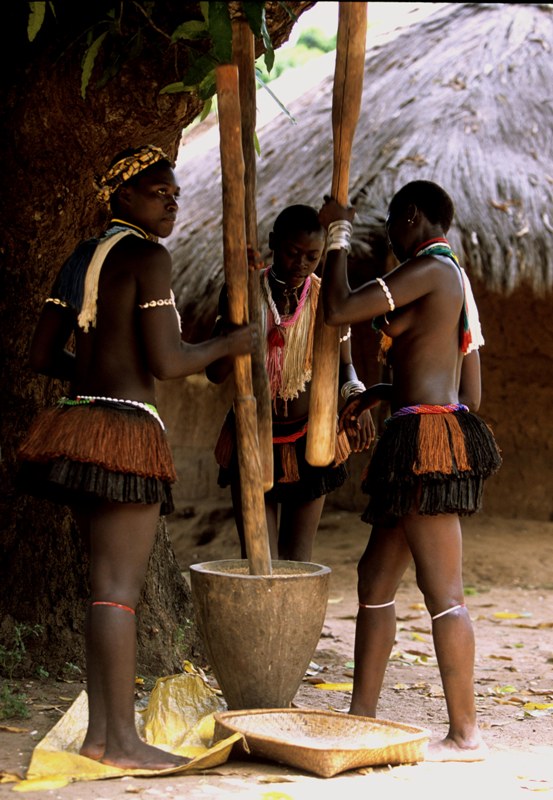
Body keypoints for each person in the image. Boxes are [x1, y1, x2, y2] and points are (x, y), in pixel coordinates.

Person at [17, 145, 255, 770]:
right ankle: (119, 742)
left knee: (105, 592)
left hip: (76, 431)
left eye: (174, 192)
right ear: (122, 197)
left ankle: (102, 736)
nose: (172, 201)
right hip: (126, 435)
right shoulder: (149, 257)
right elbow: (169, 363)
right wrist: (233, 340)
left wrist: (95, 380)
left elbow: (43, 356)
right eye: (159, 192)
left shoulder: (81, 258)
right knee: (118, 594)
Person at [318, 180, 502, 761]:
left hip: (423, 442)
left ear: (413, 217)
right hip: (420, 436)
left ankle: (466, 734)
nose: (391, 241)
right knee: (375, 578)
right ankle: (361, 717)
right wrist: (383, 391)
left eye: (393, 225)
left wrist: (337, 234)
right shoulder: (454, 283)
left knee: (443, 592)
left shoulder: (430, 268)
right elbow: (468, 390)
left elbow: (340, 308)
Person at [206, 204, 374, 562]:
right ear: (272, 243)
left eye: (312, 257)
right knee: (258, 557)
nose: (301, 264)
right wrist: (239, 325)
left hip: (310, 437)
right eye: (292, 253)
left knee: (298, 560)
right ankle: (261, 621)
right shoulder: (243, 291)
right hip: (252, 433)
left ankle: (293, 621)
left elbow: (346, 367)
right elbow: (215, 373)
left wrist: (357, 397)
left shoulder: (326, 297)